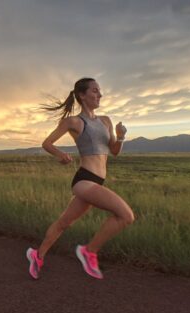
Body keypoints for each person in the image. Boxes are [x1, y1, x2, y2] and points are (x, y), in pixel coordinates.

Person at [26, 77, 135, 280]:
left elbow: (114, 151)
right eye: (94, 91)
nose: (99, 95)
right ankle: (89, 251)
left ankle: (37, 255)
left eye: (99, 91)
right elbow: (47, 143)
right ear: (82, 95)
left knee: (63, 224)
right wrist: (61, 155)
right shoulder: (74, 122)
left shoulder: (105, 121)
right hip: (84, 180)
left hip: (97, 181)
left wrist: (120, 136)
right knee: (126, 216)